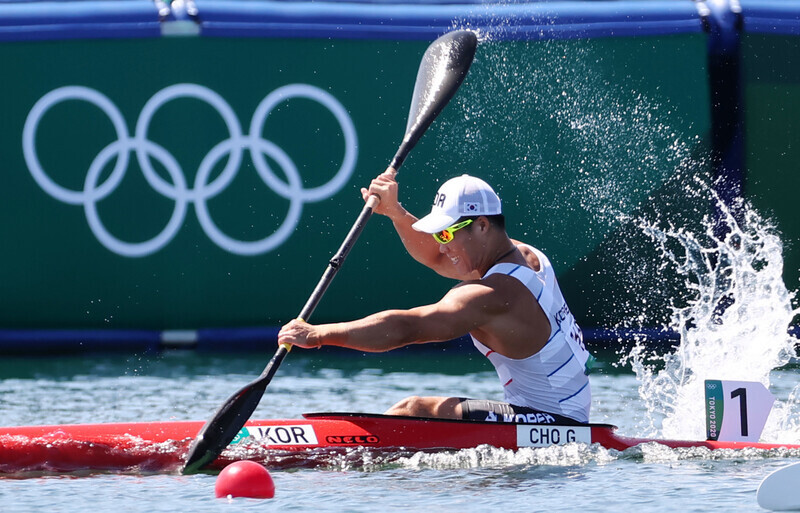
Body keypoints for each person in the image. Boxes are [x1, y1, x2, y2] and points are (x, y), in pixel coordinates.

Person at [278, 170, 594, 424]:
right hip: (566, 409)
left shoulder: (493, 296)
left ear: (482, 226)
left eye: (446, 234)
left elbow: (408, 327)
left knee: (413, 410)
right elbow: (437, 258)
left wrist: (319, 335)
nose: (442, 245)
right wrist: (395, 212)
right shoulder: (524, 257)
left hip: (555, 424)